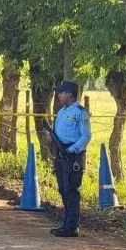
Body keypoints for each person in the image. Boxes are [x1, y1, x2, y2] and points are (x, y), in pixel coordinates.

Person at [50, 80, 91, 237]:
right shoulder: (62, 112)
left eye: (61, 92)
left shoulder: (80, 112)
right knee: (63, 189)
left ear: (69, 94)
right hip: (61, 154)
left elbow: (86, 136)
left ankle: (72, 225)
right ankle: (67, 223)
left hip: (72, 156)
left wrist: (72, 150)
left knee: (71, 190)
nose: (58, 95)